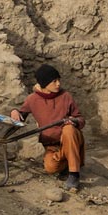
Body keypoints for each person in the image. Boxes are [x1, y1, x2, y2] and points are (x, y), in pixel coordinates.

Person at [10, 64, 85, 192]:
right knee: (50, 168)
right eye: (54, 81)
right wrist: (14, 112)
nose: (58, 84)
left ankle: (74, 174)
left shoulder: (66, 96)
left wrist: (74, 122)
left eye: (59, 80)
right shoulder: (32, 99)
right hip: (52, 145)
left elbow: (80, 118)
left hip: (70, 138)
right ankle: (70, 160)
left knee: (68, 129)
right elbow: (20, 115)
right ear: (44, 83)